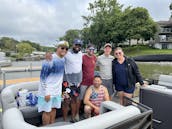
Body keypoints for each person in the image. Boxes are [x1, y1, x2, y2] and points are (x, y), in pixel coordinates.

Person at [38, 41, 69, 125]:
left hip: (57, 91)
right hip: (47, 92)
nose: (64, 50)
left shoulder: (63, 59)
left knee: (54, 109)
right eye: (62, 48)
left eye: (66, 49)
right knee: (47, 111)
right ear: (57, 48)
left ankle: (52, 126)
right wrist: (46, 93)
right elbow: (42, 78)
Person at [63, 38, 83, 122]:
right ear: (73, 45)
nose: (78, 47)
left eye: (79, 45)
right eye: (76, 45)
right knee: (66, 101)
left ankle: (73, 118)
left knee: (74, 100)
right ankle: (64, 121)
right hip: (67, 83)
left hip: (77, 83)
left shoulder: (81, 53)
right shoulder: (66, 53)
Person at [78, 44, 97, 115]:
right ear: (87, 49)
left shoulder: (95, 57)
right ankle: (77, 112)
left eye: (93, 49)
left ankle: (88, 112)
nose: (91, 51)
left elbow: (94, 67)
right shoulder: (83, 57)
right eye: (90, 49)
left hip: (91, 82)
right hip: (83, 82)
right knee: (81, 97)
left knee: (90, 97)